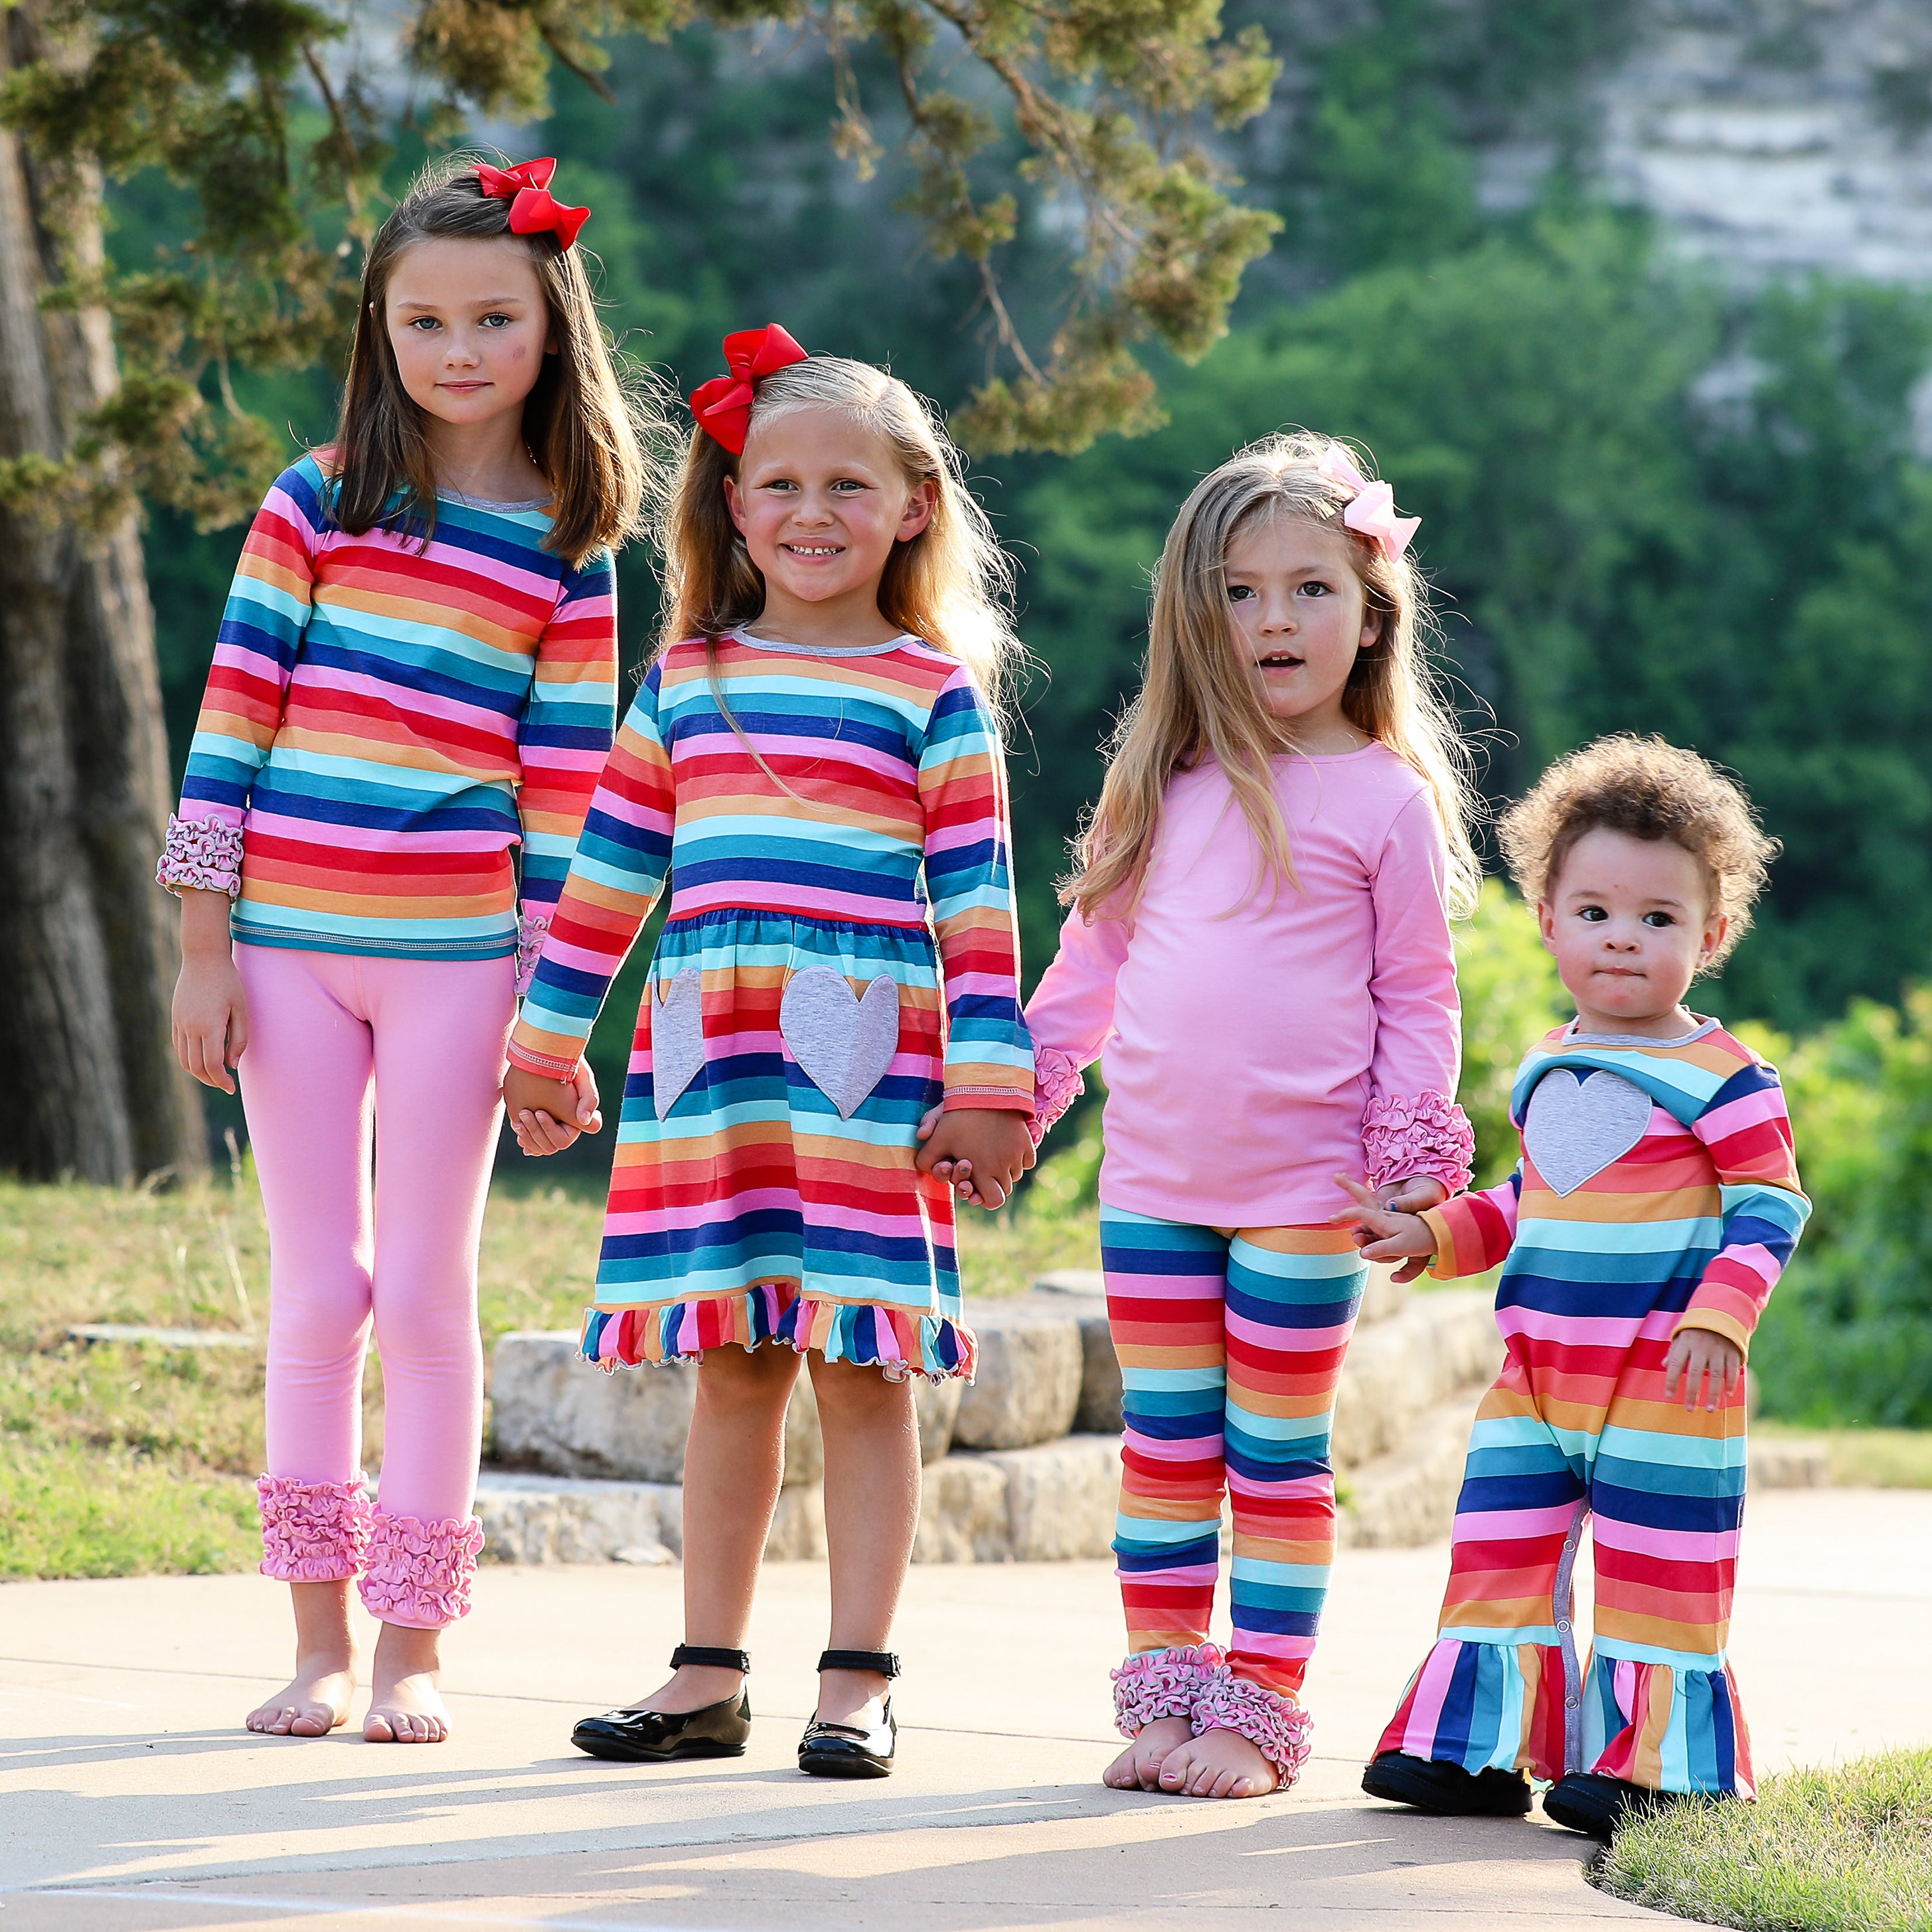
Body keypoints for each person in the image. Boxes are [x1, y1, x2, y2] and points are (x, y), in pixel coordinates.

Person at [161, 155, 648, 1743]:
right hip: (286, 955)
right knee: (320, 1294)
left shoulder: (575, 539)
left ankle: (411, 1650)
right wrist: (200, 946)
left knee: (429, 1295)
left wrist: (548, 1016)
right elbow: (231, 719)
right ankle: (309, 1642)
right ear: (382, 326)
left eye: (493, 319)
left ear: (549, 326)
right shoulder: (318, 497)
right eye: (424, 319)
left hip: (459, 964)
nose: (458, 350)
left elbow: (568, 791)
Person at [503, 327, 1035, 1779]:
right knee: (733, 1365)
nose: (813, 513)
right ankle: (705, 1672)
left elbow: (979, 910)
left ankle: (855, 1680)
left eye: (850, 486)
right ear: (733, 506)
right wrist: (547, 1046)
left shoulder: (932, 694)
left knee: (865, 1371)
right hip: (712, 1067)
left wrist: (993, 1086)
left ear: (914, 505)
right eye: (780, 483)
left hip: (873, 1076)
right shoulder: (687, 679)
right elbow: (608, 884)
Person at [1022, 433, 1481, 1801]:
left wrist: (1414, 1172)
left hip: (1310, 1195)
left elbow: (1420, 998)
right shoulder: (1160, 781)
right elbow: (1087, 966)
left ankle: (1258, 1710)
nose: (1275, 618)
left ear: (1371, 608)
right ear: (1194, 615)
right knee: (1164, 1448)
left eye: (1310, 589)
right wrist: (1022, 1095)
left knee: (1276, 1458)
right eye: (1239, 592)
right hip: (1155, 1181)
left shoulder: (1386, 799)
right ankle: (1162, 1692)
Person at [1345, 736, 1809, 1838]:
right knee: (1497, 1553)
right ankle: (1476, 1750)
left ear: (1712, 934)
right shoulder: (1550, 1057)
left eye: (1657, 919)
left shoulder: (1725, 1075)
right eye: (1594, 911)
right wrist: (1432, 1230)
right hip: (1534, 1373)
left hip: (1666, 1378)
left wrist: (1722, 1313)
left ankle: (1653, 1765)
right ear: (1547, 916)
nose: (1621, 938)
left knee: (1658, 1572)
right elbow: (1527, 1199)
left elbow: (1770, 1203)